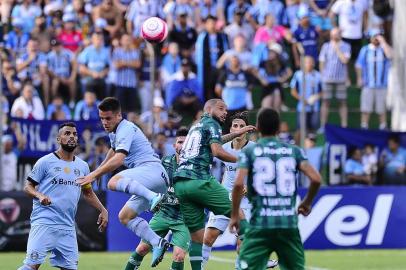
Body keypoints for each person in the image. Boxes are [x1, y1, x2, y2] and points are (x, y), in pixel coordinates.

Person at [76, 97, 171, 266]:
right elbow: (113, 151)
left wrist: (94, 175)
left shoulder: (125, 128)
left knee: (113, 181)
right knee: (125, 217)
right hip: (153, 180)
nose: (104, 122)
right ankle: (158, 242)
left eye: (108, 118)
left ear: (119, 115)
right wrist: (96, 172)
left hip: (152, 171)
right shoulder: (115, 132)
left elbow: (119, 159)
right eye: (102, 118)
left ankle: (153, 198)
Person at [230, 108, 322, 270]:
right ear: (279, 128)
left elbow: (238, 184)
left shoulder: (251, 151)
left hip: (260, 224)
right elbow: (315, 179)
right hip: (287, 223)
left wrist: (235, 215)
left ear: (257, 126)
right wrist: (306, 202)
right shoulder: (294, 151)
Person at [172, 99, 255, 270]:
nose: (225, 112)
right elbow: (217, 151)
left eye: (226, 109)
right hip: (199, 180)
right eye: (221, 108)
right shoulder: (212, 123)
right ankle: (258, 258)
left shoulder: (197, 125)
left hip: (181, 184)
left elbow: (216, 141)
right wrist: (243, 160)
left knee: (197, 237)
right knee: (238, 215)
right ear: (208, 109)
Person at [18, 122, 108, 270]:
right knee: (31, 266)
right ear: (59, 139)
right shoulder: (45, 162)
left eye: (74, 134)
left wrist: (103, 209)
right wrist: (39, 195)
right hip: (44, 223)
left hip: (67, 226)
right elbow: (28, 187)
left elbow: (88, 192)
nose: (72, 136)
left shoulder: (83, 166)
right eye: (67, 134)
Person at [202, 112, 278, 269]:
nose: (238, 129)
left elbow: (268, 175)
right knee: (208, 239)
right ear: (230, 128)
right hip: (225, 198)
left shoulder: (256, 149)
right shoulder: (222, 147)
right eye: (235, 126)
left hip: (247, 201)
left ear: (247, 130)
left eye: (242, 126)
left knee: (242, 246)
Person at [125, 127, 191, 270]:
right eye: (180, 142)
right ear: (174, 145)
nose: (182, 146)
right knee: (142, 248)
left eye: (186, 143)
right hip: (163, 213)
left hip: (184, 217)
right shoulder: (164, 163)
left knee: (179, 255)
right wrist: (150, 201)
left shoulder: (195, 167)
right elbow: (153, 182)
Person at [356, 29, 392, 130]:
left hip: (382, 84)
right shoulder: (365, 50)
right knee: (366, 107)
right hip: (368, 84)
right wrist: (359, 78)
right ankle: (364, 125)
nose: (376, 38)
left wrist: (383, 42)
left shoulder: (383, 49)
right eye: (374, 36)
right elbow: (359, 65)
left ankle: (383, 126)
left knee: (381, 108)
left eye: (378, 36)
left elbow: (390, 55)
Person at [319, 28, 351, 130]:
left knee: (342, 102)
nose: (333, 36)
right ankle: (323, 125)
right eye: (332, 34)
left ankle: (344, 125)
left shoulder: (346, 46)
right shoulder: (326, 46)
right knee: (325, 102)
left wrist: (337, 48)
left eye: (335, 34)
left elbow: (345, 60)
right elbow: (322, 61)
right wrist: (322, 75)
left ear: (340, 35)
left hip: (341, 78)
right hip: (327, 78)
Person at [290, 56, 322, 132]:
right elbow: (293, 91)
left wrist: (316, 97)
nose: (309, 64)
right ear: (303, 64)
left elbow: (323, 91)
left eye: (311, 62)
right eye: (307, 62)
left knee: (313, 130)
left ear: (314, 63)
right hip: (302, 108)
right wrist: (302, 99)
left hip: (315, 108)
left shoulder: (318, 75)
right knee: (300, 130)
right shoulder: (298, 74)